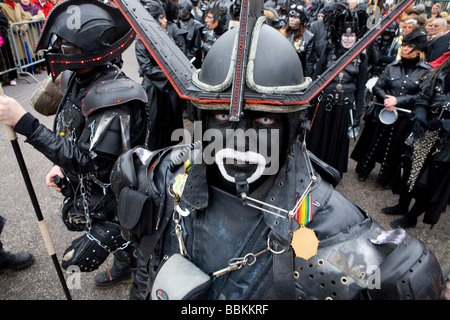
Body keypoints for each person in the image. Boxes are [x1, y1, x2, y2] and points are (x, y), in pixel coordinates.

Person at [110, 0, 445, 300]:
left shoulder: (334, 230)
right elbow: (146, 266)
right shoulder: (160, 176)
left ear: (295, 127)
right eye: (223, 117)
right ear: (200, 120)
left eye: (265, 120)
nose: (239, 139)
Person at [0, 0, 148, 298]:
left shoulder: (117, 96)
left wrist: (25, 124)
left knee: (85, 259)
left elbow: (88, 160)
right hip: (90, 190)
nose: (58, 50)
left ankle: (137, 272)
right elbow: (74, 134)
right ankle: (125, 263)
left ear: (88, 49)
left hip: (117, 199)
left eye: (65, 46)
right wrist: (60, 164)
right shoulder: (77, 78)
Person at [351, 28, 431, 189]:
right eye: (405, 46)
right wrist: (386, 98)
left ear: (418, 51)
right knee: (373, 142)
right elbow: (378, 86)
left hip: (403, 117)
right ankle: (363, 170)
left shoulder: (425, 72)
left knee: (394, 147)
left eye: (410, 47)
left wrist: (398, 100)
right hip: (383, 111)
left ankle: (385, 178)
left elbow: (422, 95)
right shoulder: (392, 67)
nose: (405, 49)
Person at [387, 56, 449, 229]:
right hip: (425, 132)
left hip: (446, 142)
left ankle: (412, 216)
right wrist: (421, 118)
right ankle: (402, 205)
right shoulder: (438, 75)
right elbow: (422, 99)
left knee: (430, 181)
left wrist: (445, 124)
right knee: (408, 170)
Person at [307, 4, 368, 176]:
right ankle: (312, 168)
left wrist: (356, 117)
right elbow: (316, 78)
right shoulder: (329, 51)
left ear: (357, 37)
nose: (348, 39)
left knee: (336, 143)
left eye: (352, 36)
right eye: (345, 35)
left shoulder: (361, 58)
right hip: (325, 103)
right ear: (339, 35)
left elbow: (361, 89)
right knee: (318, 139)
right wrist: (308, 104)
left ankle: (331, 172)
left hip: (344, 107)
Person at [135, 0, 185, 152]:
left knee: (172, 126)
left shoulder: (167, 36)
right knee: (154, 127)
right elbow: (146, 68)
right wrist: (170, 73)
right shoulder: (141, 40)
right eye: (162, 18)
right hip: (153, 89)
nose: (165, 21)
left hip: (170, 89)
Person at [280, 3, 315, 77]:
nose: (292, 19)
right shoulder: (281, 32)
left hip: (296, 75)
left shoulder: (308, 37)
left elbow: (309, 62)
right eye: (291, 16)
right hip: (280, 71)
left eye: (296, 18)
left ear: (301, 20)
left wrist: (307, 79)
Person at [177, 0, 204, 69]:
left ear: (188, 10)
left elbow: (196, 47)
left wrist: (187, 59)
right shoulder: (176, 24)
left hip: (191, 61)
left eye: (181, 9)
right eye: (179, 8)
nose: (180, 11)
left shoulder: (196, 26)